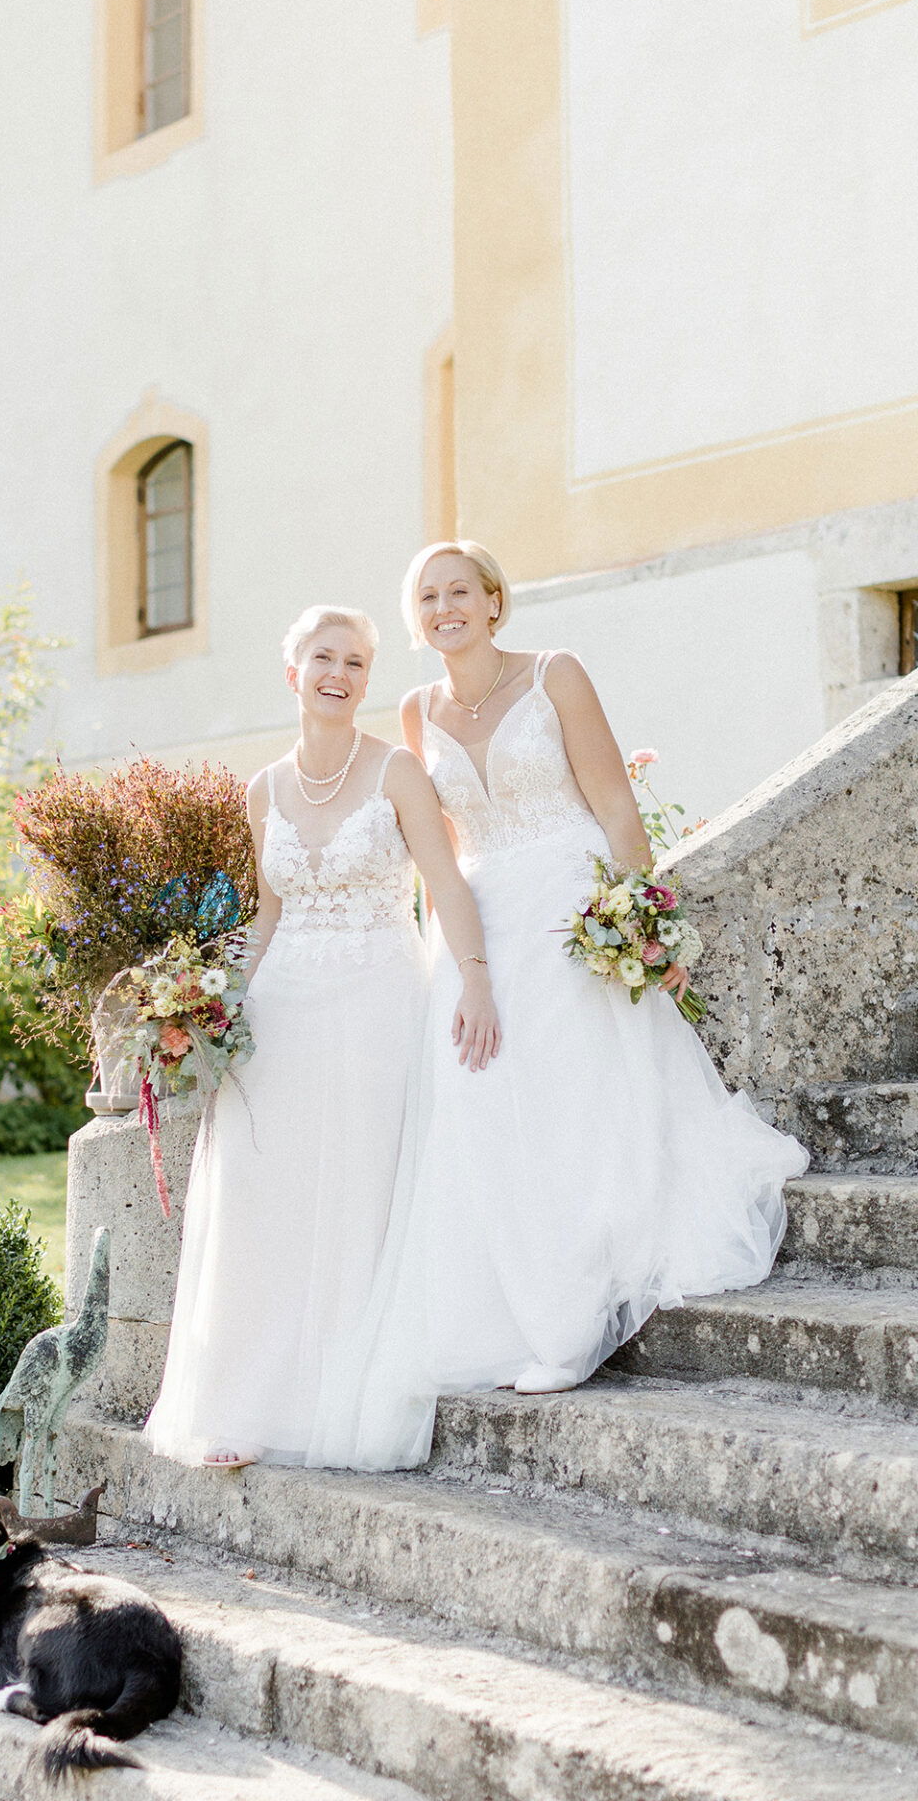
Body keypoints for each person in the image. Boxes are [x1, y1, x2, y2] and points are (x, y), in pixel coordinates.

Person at [314, 542, 807, 1471]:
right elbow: (445, 848)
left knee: (579, 1101)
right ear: (416, 618)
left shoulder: (557, 675)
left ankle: (574, 1316)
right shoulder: (417, 711)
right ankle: (514, 1301)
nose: (445, 607)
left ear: (495, 601)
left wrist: (639, 922)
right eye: (427, 597)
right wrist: (454, 961)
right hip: (485, 926)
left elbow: (617, 809)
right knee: (486, 1108)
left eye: (460, 591)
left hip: (573, 907)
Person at [143, 604, 500, 1470]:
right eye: (323, 657)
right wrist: (210, 1008)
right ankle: (249, 1407)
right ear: (293, 670)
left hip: (379, 1000)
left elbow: (447, 884)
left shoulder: (399, 773)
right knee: (266, 1200)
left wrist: (477, 975)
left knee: (358, 1191)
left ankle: (340, 1402)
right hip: (283, 1013)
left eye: (356, 662)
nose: (339, 673)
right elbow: (266, 915)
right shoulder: (263, 788)